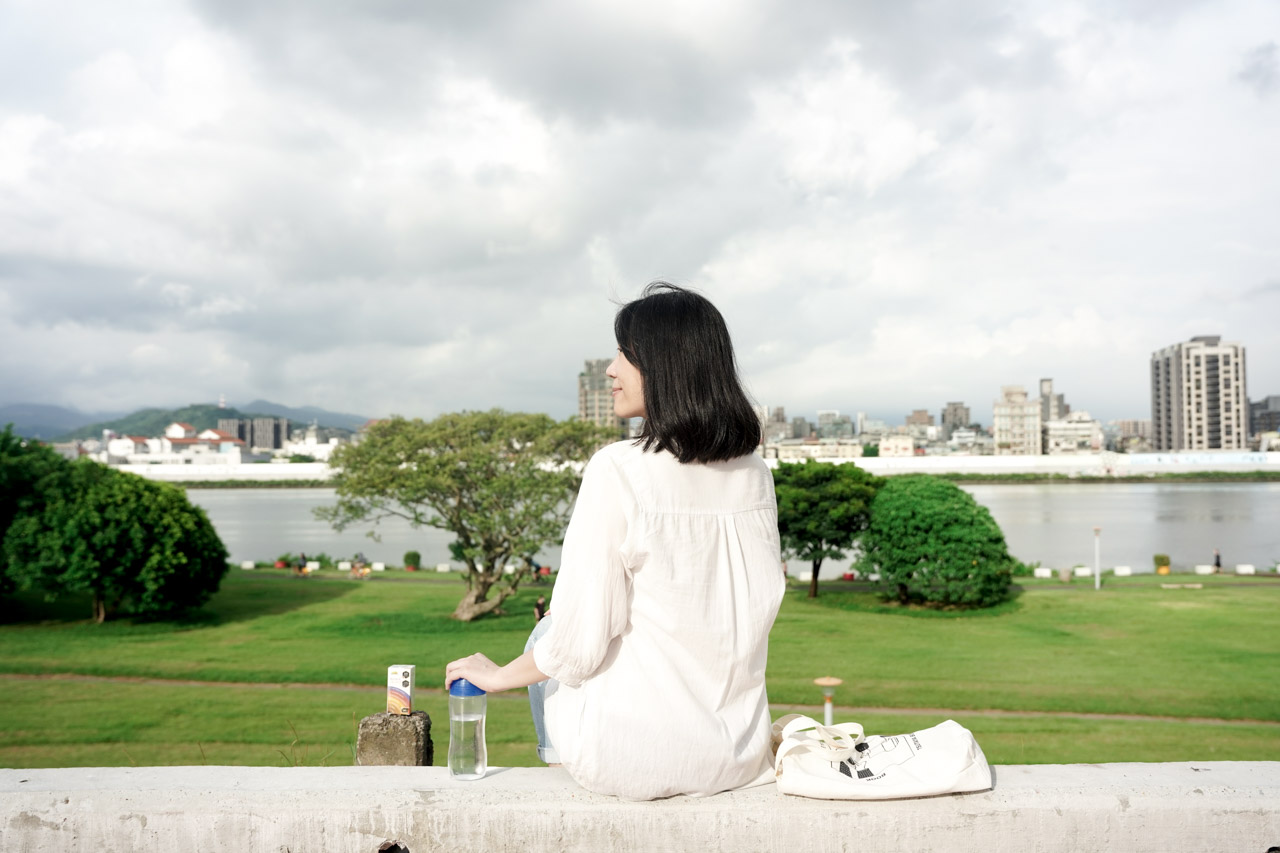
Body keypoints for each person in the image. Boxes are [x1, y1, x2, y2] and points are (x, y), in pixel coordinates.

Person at [445, 282, 784, 800]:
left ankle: (557, 761)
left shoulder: (618, 468)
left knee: (549, 630)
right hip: (736, 755)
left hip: (632, 759)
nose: (611, 368)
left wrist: (494, 679)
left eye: (626, 353)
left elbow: (579, 639)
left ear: (666, 365)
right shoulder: (755, 472)